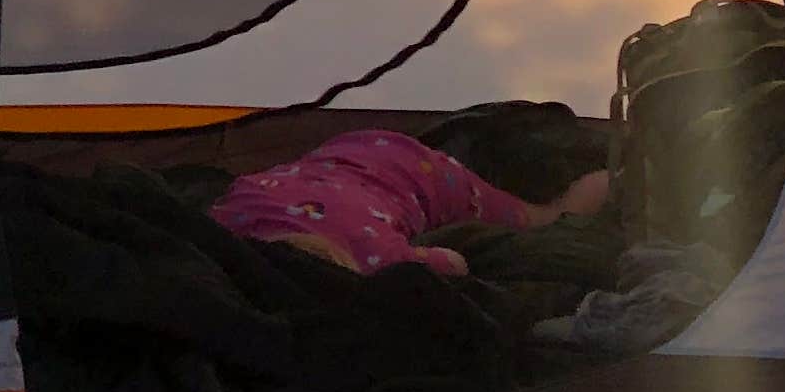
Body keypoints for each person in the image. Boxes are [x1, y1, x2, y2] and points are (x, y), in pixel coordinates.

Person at [209, 130, 610, 277]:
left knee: (544, 219)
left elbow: (455, 264)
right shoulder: (225, 226)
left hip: (426, 176)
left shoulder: (377, 259)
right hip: (348, 149)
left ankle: (612, 180)